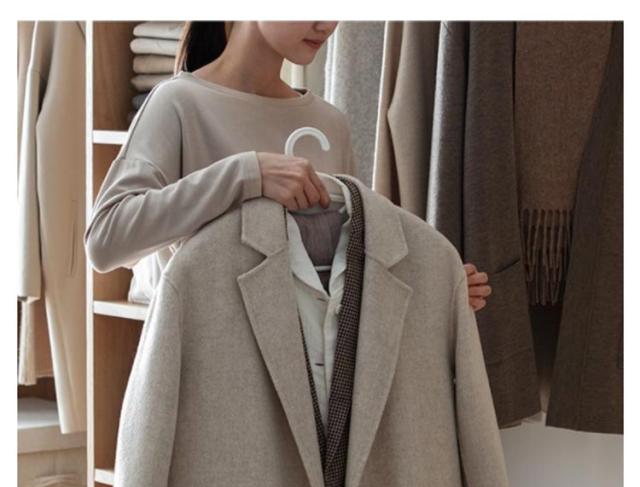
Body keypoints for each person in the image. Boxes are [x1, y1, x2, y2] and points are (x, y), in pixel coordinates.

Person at [84, 21, 491, 309]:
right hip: (209, 378)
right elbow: (105, 241)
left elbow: (347, 267)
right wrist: (246, 174)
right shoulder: (178, 104)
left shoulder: (329, 123)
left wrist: (431, 288)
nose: (326, 22)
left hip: (313, 387)